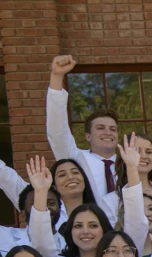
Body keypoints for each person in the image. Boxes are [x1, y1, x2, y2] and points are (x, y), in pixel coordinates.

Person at [46, 55, 119, 200]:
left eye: (113, 129)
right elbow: (57, 130)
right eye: (100, 128)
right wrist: (57, 77)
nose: (108, 132)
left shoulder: (129, 163)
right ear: (88, 136)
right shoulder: (76, 159)